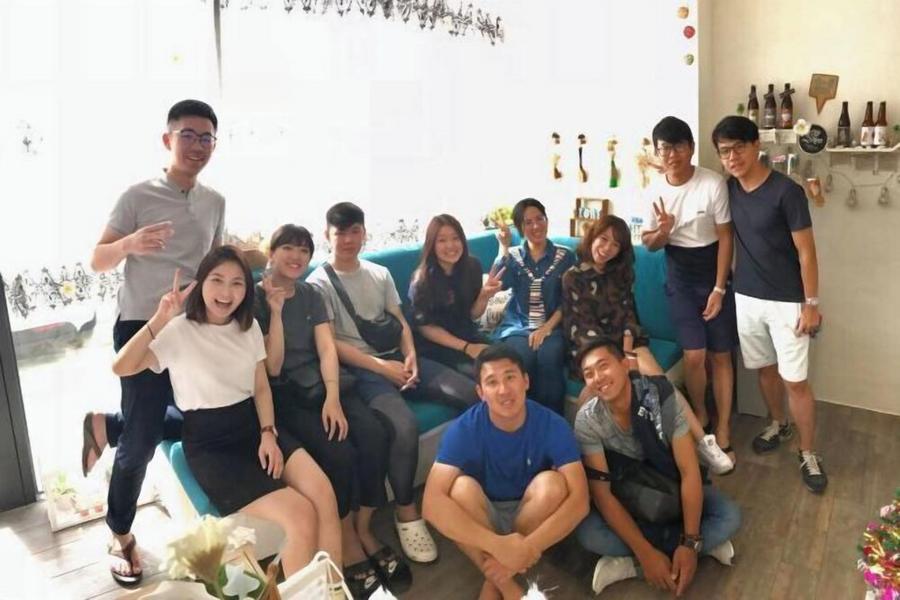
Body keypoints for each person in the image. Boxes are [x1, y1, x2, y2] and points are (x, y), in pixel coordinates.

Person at [111, 246, 343, 580]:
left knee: (323, 492)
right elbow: (121, 367)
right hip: (212, 447)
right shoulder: (178, 330)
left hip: (254, 429)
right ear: (201, 283)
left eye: (237, 283)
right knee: (300, 514)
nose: (226, 292)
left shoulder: (248, 328)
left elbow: (261, 387)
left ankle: (333, 590)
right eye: (217, 280)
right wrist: (160, 318)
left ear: (246, 290)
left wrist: (268, 433)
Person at [81, 100, 224, 584]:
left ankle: (108, 425)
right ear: (168, 140)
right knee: (141, 441)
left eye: (207, 138)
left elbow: (212, 262)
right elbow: (97, 260)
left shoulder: (215, 201)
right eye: (188, 135)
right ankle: (119, 531)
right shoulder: (137, 195)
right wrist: (129, 244)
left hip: (192, 327)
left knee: (200, 416)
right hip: (143, 326)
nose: (198, 146)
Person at [306, 202, 479, 564]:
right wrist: (382, 368)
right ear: (327, 236)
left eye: (355, 231)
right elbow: (330, 344)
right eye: (340, 233)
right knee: (404, 425)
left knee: (471, 394)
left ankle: (465, 480)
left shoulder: (379, 272)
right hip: (363, 370)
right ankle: (406, 511)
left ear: (364, 233)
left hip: (401, 358)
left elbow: (400, 320)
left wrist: (411, 355)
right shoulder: (318, 284)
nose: (348, 240)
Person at [254, 224, 406, 597]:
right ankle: (348, 543)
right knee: (339, 453)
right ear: (271, 252)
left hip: (325, 385)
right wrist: (275, 311)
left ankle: (364, 529)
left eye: (303, 250)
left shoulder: (311, 293)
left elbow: (326, 349)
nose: (296, 257)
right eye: (287, 248)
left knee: (373, 434)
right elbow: (272, 368)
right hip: (285, 394)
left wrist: (333, 397)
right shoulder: (255, 297)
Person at [561, 216, 733, 475]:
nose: (607, 248)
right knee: (595, 390)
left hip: (627, 342)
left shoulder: (620, 273)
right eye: (603, 239)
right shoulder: (572, 277)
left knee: (660, 383)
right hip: (590, 348)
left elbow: (628, 316)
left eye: (615, 245)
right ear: (592, 236)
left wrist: (627, 354)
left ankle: (704, 443)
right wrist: (614, 358)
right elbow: (582, 327)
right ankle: (589, 462)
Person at [712, 116, 827, 493]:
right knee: (764, 369)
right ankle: (779, 423)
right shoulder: (728, 190)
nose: (732, 157)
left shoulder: (786, 192)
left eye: (738, 148)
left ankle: (808, 452)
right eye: (724, 151)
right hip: (746, 297)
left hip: (788, 301)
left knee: (796, 381)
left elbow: (807, 252)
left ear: (756, 145)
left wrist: (811, 303)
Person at [574, 339, 741, 596]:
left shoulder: (661, 397)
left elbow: (689, 472)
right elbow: (603, 495)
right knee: (589, 534)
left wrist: (690, 541)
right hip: (629, 496)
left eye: (603, 366)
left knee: (729, 516)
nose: (598, 377)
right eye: (589, 374)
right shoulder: (588, 421)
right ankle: (680, 552)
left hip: (672, 488)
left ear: (624, 365)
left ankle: (633, 564)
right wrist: (645, 552)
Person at [422, 343, 589, 600]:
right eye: (492, 382)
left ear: (526, 381)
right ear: (480, 392)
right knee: (459, 489)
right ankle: (508, 588)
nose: (503, 390)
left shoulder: (552, 424)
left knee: (553, 484)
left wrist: (527, 547)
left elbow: (580, 501)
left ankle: (494, 581)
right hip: (483, 509)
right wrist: (497, 545)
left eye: (510, 377)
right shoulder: (464, 428)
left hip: (530, 510)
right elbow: (431, 505)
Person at [641, 116, 738, 467]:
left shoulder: (712, 183)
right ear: (657, 153)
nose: (672, 154)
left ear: (691, 148)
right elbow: (649, 244)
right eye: (664, 148)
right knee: (694, 355)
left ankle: (724, 426)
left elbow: (725, 236)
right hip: (679, 277)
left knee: (721, 355)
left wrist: (719, 288)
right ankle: (701, 413)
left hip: (713, 272)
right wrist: (664, 232)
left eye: (678, 146)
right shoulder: (654, 191)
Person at [493, 198, 576, 414]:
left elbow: (569, 300)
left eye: (540, 219)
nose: (536, 226)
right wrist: (503, 246)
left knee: (550, 357)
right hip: (518, 327)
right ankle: (522, 419)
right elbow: (496, 283)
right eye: (528, 222)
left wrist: (547, 328)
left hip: (553, 326)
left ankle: (552, 422)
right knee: (522, 360)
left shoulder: (565, 256)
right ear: (520, 228)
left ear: (547, 220)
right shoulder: (513, 256)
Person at [408, 214, 504, 379]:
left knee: (510, 362)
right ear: (431, 245)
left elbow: (472, 315)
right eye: (442, 240)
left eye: (455, 238)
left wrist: (484, 296)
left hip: (467, 335)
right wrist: (467, 348)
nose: (450, 245)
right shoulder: (421, 281)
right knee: (485, 376)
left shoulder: (472, 266)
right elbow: (426, 328)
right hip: (436, 347)